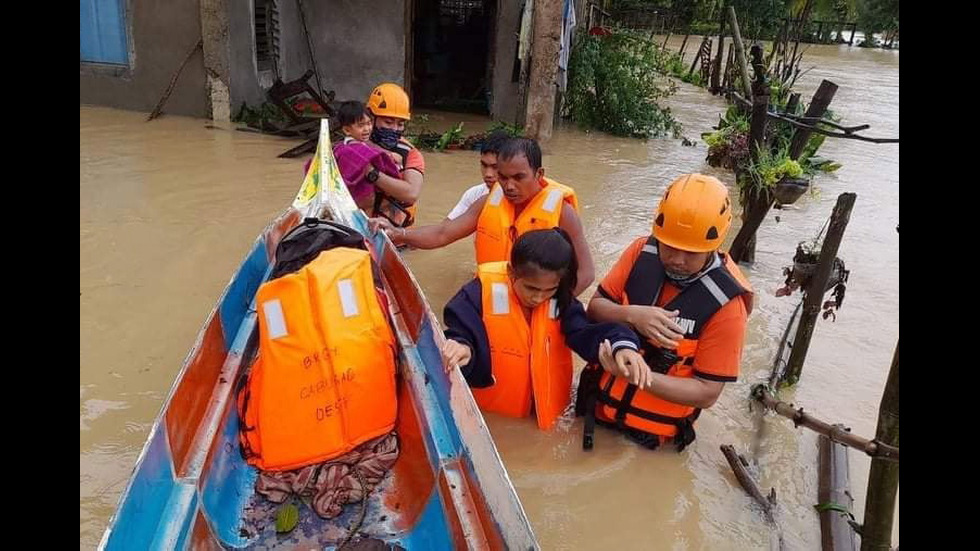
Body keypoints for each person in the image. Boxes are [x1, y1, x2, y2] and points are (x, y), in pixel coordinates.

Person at [578, 173, 754, 452]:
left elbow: (707, 393)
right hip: (595, 410)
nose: (677, 260)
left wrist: (635, 375)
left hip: (651, 440)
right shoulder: (640, 252)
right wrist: (633, 315)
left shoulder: (728, 305)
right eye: (669, 247)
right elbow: (596, 308)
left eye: (691, 253)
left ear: (714, 245)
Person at [441, 229, 645, 431]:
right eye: (531, 288)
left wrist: (622, 344)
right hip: (491, 419)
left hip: (546, 418)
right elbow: (462, 332)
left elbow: (586, 333)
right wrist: (463, 348)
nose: (539, 298)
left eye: (549, 290)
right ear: (512, 273)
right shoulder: (476, 294)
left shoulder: (562, 301)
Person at [370, 138, 595, 296]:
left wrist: (556, 308)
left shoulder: (562, 212)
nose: (509, 186)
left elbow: (586, 272)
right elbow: (442, 233)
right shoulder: (490, 201)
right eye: (504, 177)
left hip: (537, 301)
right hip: (494, 298)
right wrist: (397, 233)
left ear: (539, 174)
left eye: (519, 177)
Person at [365, 83, 426, 227]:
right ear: (371, 118)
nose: (394, 129)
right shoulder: (351, 146)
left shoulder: (410, 154)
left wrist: (371, 173)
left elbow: (411, 193)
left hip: (393, 235)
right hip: (356, 226)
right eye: (388, 122)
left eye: (400, 124)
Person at [330, 101, 402, 214]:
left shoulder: (344, 147)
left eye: (369, 123)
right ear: (347, 130)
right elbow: (378, 159)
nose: (367, 129)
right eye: (361, 125)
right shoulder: (355, 150)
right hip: (363, 199)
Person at [444, 130, 510, 221]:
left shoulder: (517, 198)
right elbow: (445, 229)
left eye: (495, 167)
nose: (488, 174)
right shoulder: (474, 194)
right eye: (484, 165)